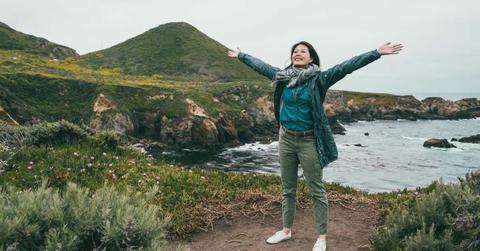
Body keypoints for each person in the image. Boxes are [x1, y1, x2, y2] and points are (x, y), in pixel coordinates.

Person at [227, 41, 402, 251]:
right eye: (295, 51)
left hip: (309, 140)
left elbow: (347, 66)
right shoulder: (282, 77)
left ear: (311, 58)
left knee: (316, 189)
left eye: (303, 51)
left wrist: (376, 53)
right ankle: (285, 231)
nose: (297, 54)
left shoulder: (320, 79)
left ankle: (321, 237)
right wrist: (241, 55)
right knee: (287, 188)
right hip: (286, 139)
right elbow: (260, 65)